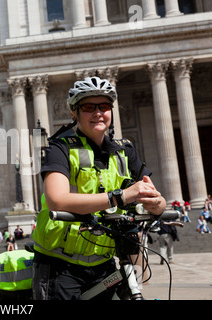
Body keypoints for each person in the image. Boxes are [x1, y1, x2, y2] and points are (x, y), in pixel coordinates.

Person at [32, 76, 166, 300]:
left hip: (103, 262)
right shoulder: (60, 148)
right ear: (74, 113)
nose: (97, 113)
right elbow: (56, 200)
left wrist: (156, 204)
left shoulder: (125, 151)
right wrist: (121, 196)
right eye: (88, 107)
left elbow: (157, 197)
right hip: (60, 265)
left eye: (104, 106)